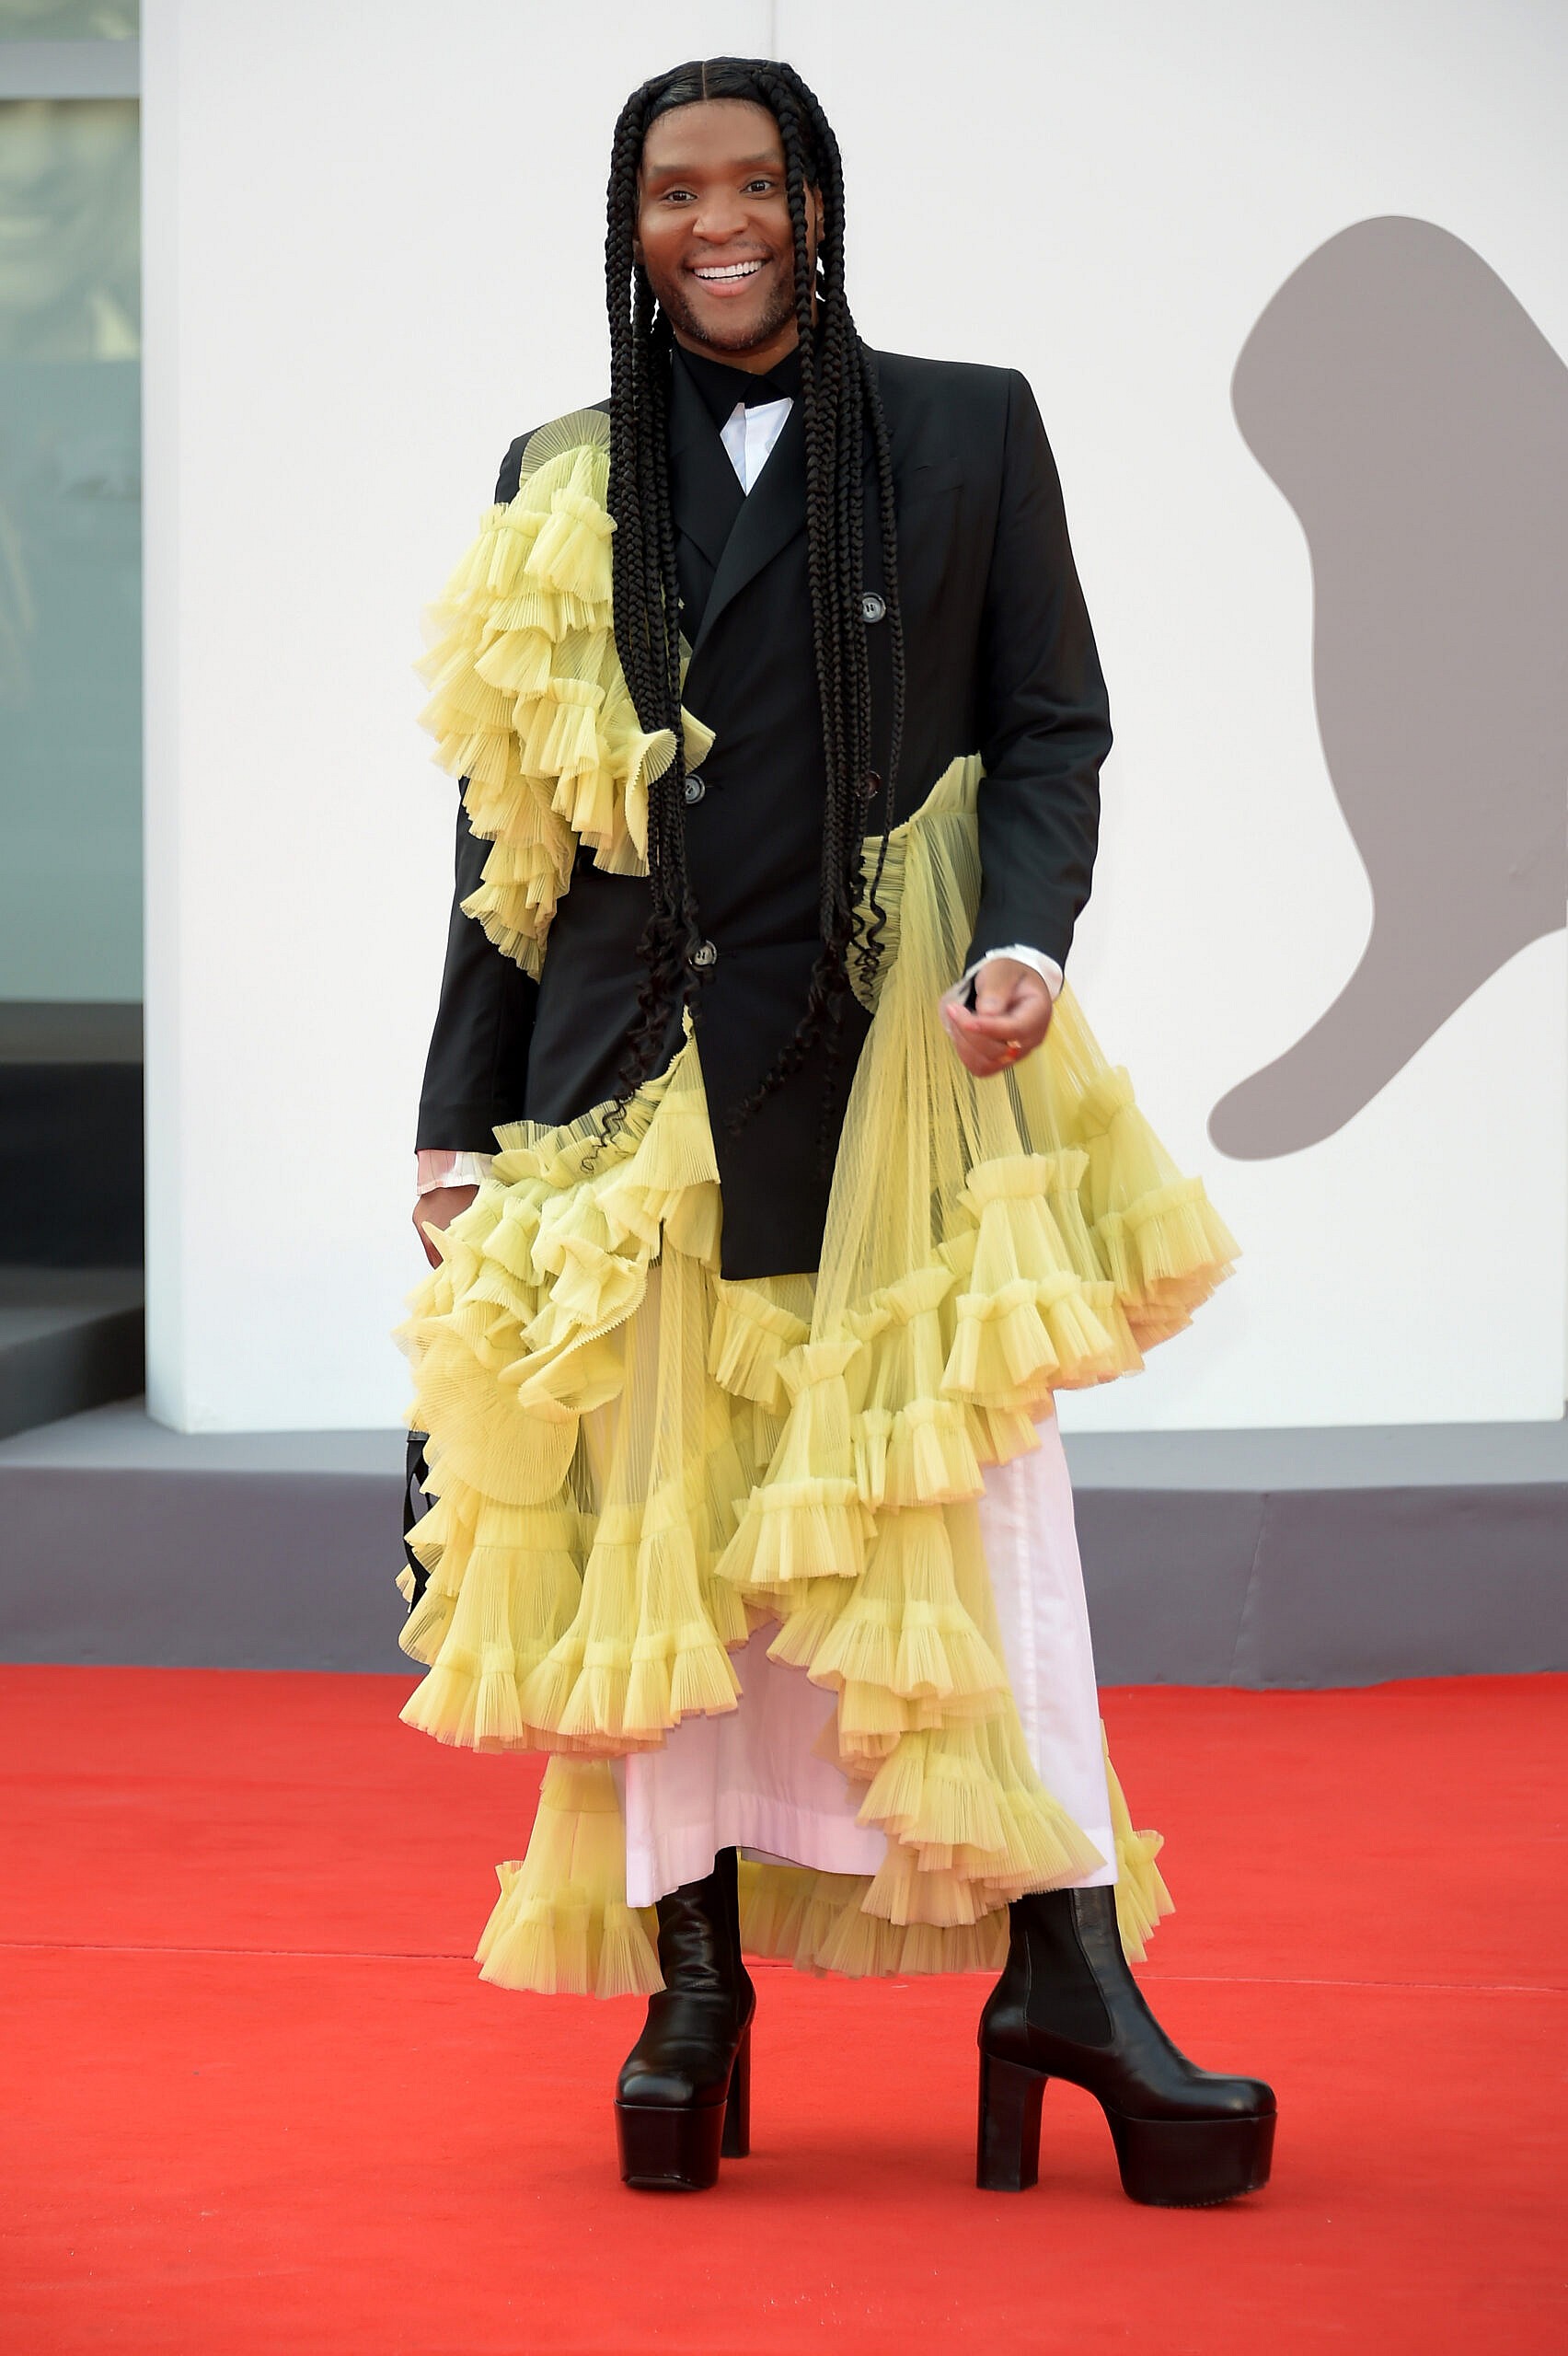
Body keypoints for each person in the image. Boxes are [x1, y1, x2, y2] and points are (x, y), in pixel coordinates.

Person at [400, 54, 1274, 2205]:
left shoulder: (967, 424)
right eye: (674, 191)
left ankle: (1070, 1973)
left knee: (976, 1539)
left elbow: (1053, 720)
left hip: (906, 1070)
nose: (719, 221)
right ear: (633, 226)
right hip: (633, 1085)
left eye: (756, 182)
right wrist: (452, 1122)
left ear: (817, 200)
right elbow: (513, 831)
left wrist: (1031, 946)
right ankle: (691, 1986)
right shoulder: (561, 467)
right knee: (673, 1545)